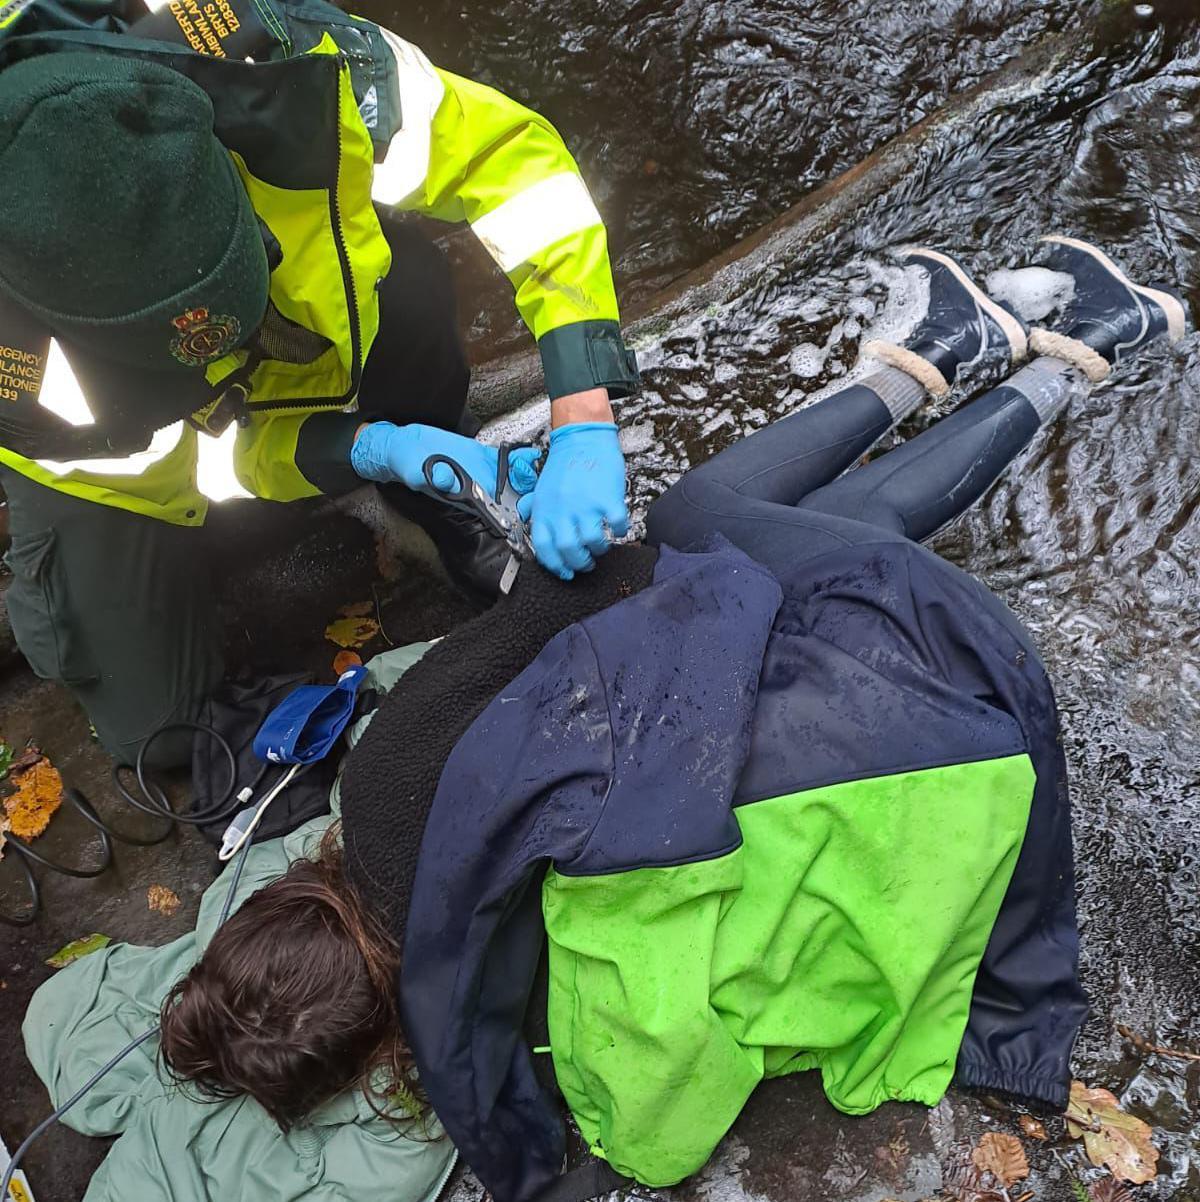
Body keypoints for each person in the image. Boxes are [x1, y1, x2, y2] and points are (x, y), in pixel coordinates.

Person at [20, 238, 1187, 1202]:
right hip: (780, 648)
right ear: (279, 895)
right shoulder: (378, 784)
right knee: (715, 514)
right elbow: (554, 607)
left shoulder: (498, 982)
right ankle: (987, 352)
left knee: (820, 542)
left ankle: (1060, 353)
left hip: (836, 720)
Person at [0, 0, 638, 768]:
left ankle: (434, 497)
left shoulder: (286, 63)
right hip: (111, 468)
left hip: (239, 255)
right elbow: (183, 468)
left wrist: (583, 409)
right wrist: (361, 447)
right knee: (162, 735)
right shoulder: (24, 375)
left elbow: (514, 170)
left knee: (410, 284)